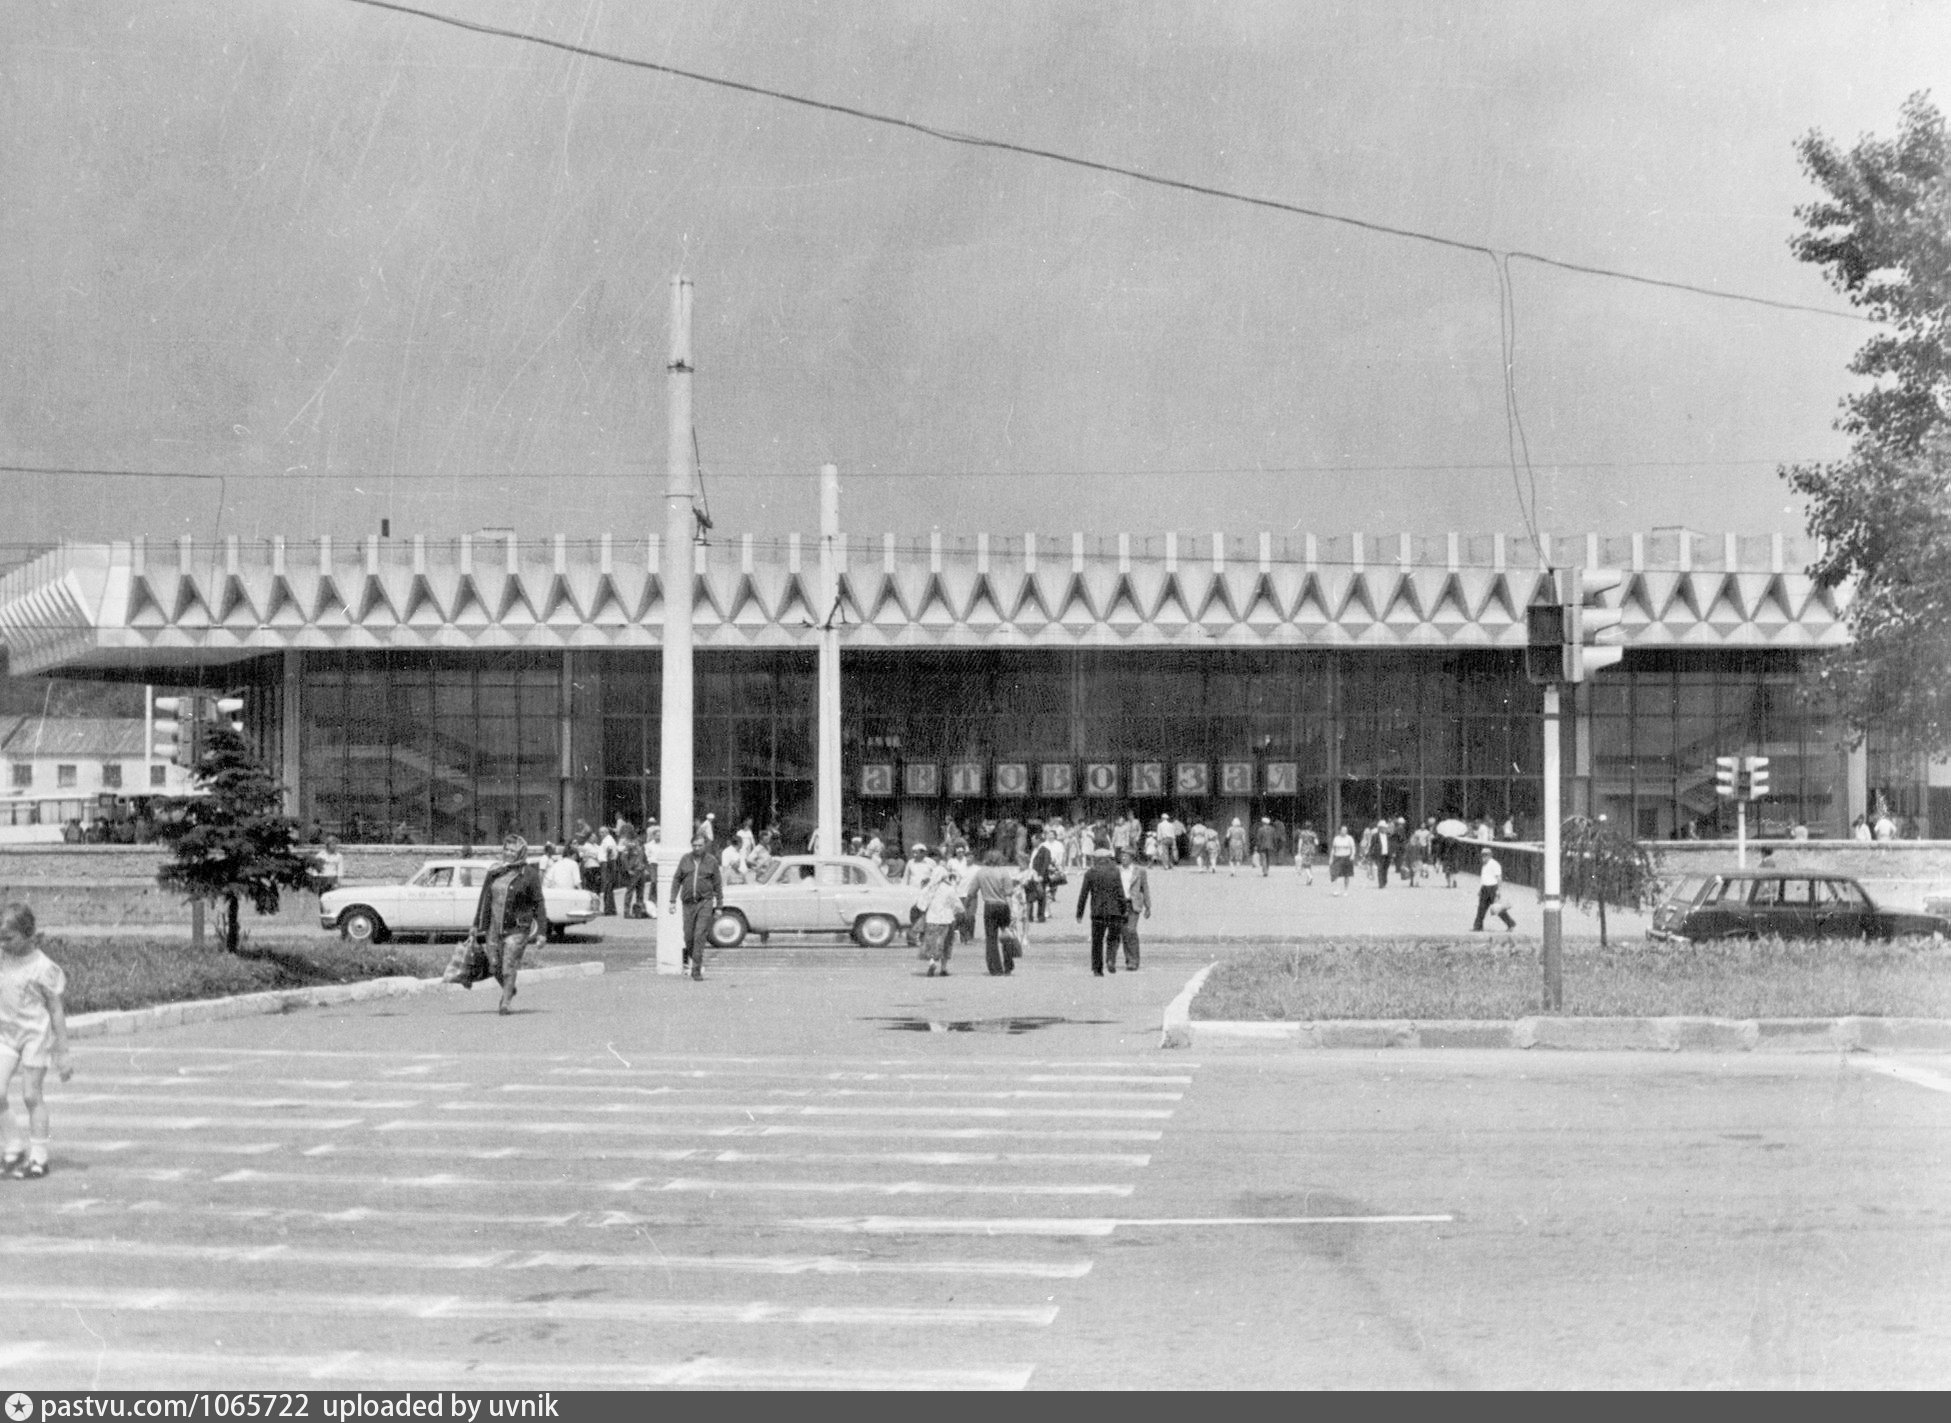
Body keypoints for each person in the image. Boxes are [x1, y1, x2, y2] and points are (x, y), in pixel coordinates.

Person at [0, 904, 73, 1179]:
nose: (3, 943)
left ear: (29, 934)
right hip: (5, 1034)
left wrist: (62, 1051)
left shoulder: (43, 968)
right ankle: (13, 1145)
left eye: (9, 938)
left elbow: (55, 1009)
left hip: (35, 1036)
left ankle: (39, 1157)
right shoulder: (2, 958)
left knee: (31, 1095)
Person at [443, 835, 547, 1015]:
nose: (508, 853)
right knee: (493, 965)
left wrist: (542, 932)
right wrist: (476, 924)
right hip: (493, 926)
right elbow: (485, 898)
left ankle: (505, 1002)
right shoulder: (495, 871)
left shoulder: (529, 874)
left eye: (513, 850)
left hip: (517, 928)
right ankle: (509, 988)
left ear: (521, 852)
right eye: (506, 849)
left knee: (509, 965)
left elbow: (538, 902)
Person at [669, 829, 723, 980]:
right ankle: (695, 958)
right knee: (689, 936)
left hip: (705, 902)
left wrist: (719, 906)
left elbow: (718, 885)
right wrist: (672, 900)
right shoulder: (685, 859)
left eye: (699, 845)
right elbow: (676, 879)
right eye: (694, 845)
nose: (697, 848)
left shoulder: (711, 861)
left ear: (705, 845)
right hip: (688, 904)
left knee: (699, 935)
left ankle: (696, 970)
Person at [1075, 845, 1129, 976]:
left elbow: (1083, 894)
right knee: (1113, 938)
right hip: (1114, 911)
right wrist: (1124, 909)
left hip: (1097, 912)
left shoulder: (1090, 873)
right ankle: (1110, 959)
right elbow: (1120, 892)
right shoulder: (1115, 872)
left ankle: (1097, 969)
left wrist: (1079, 913)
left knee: (1097, 941)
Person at [967, 850, 1021, 976]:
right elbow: (1009, 893)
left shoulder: (981, 872)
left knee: (991, 938)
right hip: (1003, 905)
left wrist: (967, 903)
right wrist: (1012, 911)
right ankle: (1008, 965)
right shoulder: (1003, 872)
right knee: (1006, 935)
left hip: (989, 906)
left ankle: (995, 968)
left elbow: (971, 891)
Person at [916, 858, 960, 976]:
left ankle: (931, 962)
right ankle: (943, 968)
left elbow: (920, 905)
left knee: (932, 943)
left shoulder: (928, 888)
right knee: (946, 943)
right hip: (947, 919)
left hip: (931, 919)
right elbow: (957, 905)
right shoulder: (949, 889)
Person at [1117, 847, 1151, 971]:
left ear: (1131, 858)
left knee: (1131, 930)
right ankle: (1129, 960)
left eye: (1126, 856)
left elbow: (1145, 888)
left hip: (1133, 904)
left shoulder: (1140, 871)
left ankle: (1134, 960)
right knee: (1124, 933)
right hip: (1120, 904)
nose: (1123, 858)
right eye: (1122, 856)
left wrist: (1148, 906)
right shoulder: (1117, 871)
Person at [1473, 846, 1517, 932]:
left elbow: (1499, 878)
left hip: (1492, 888)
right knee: (1481, 908)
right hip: (1485, 888)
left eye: (1485, 855)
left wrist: (1498, 891)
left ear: (1490, 856)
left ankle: (1510, 924)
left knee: (1497, 909)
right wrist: (1480, 889)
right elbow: (1484, 878)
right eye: (1482, 855)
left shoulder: (1494, 864)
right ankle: (1478, 926)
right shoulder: (1484, 865)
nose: (1483, 857)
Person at [902, 843, 936, 945]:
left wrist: (929, 880)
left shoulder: (931, 863)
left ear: (923, 853)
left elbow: (936, 876)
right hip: (913, 893)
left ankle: (923, 938)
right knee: (914, 915)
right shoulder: (910, 863)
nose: (915, 855)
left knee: (925, 915)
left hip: (927, 893)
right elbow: (906, 877)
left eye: (917, 853)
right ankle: (912, 938)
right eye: (914, 853)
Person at [1328, 824, 1357, 896]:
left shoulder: (1349, 838)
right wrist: (1331, 858)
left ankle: (1345, 890)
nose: (1345, 831)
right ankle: (1336, 890)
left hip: (1347, 857)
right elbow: (1333, 849)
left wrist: (1352, 855)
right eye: (1343, 830)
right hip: (1338, 857)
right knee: (1336, 874)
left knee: (1346, 875)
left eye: (1346, 830)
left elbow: (1353, 848)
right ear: (1340, 831)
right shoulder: (1336, 838)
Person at [1369, 818, 1392, 889]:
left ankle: (1384, 881)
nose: (1384, 829)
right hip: (1379, 855)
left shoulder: (1388, 835)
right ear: (1379, 828)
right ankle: (1380, 884)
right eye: (1382, 828)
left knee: (1385, 869)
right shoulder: (1375, 836)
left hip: (1387, 854)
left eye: (1385, 828)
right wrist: (1370, 854)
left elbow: (1391, 845)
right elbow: (1372, 845)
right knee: (1380, 868)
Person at [1294, 821, 1319, 885]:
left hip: (1305, 849)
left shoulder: (1302, 833)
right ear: (1311, 827)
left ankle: (1310, 876)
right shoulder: (1313, 834)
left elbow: (1300, 842)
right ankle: (1308, 880)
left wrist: (1299, 851)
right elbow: (1317, 843)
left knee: (1304, 864)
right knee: (1309, 864)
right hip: (1312, 849)